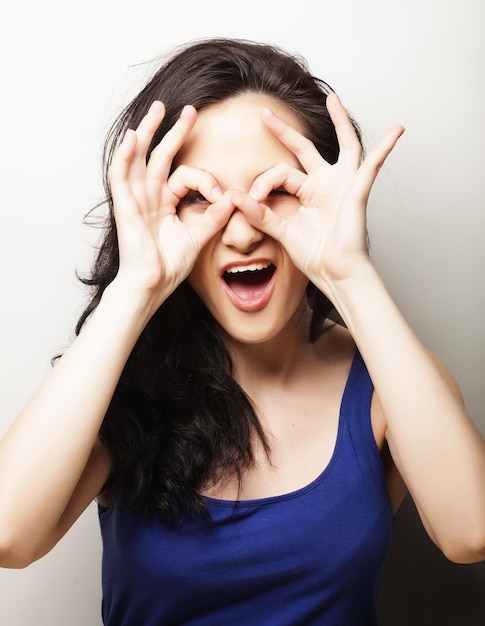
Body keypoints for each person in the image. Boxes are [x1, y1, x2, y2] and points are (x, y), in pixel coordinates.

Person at [0, 37, 484, 625]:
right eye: (200, 196)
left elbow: (471, 532)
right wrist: (137, 286)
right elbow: (8, 537)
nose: (242, 231)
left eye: (275, 188)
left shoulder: (390, 382)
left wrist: (347, 272)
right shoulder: (119, 386)